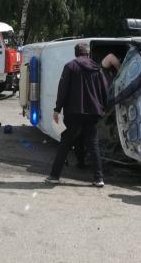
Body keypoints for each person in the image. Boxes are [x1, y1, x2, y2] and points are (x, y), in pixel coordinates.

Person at [46, 43, 108, 187]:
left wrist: (57, 109)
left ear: (76, 53)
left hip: (74, 112)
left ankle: (54, 176)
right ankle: (99, 179)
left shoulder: (70, 66)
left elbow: (63, 89)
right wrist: (104, 107)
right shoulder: (97, 68)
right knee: (93, 144)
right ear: (88, 53)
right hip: (93, 112)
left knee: (65, 143)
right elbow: (105, 89)